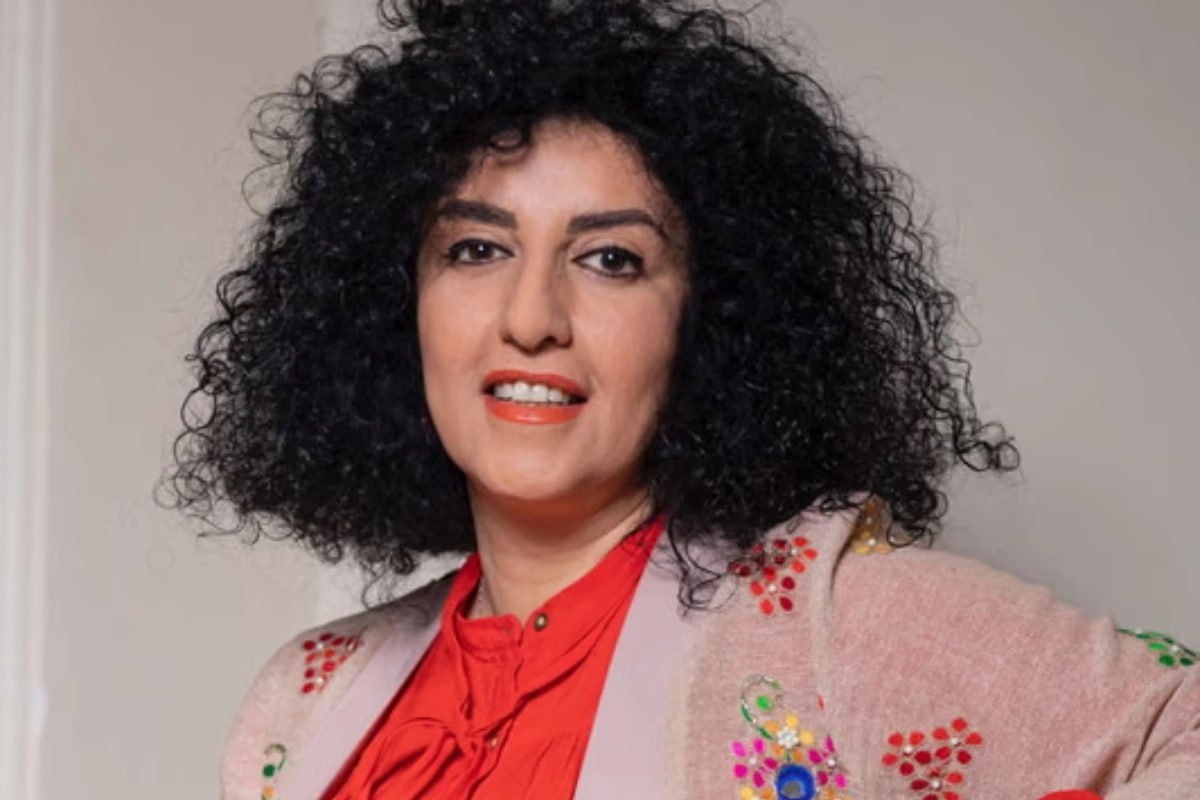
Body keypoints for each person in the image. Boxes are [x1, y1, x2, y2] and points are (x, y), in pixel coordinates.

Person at [165, 1, 1200, 798]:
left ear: (706, 320)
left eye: (611, 259)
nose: (532, 316)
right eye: (476, 249)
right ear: (399, 302)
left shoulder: (832, 622)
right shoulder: (304, 699)